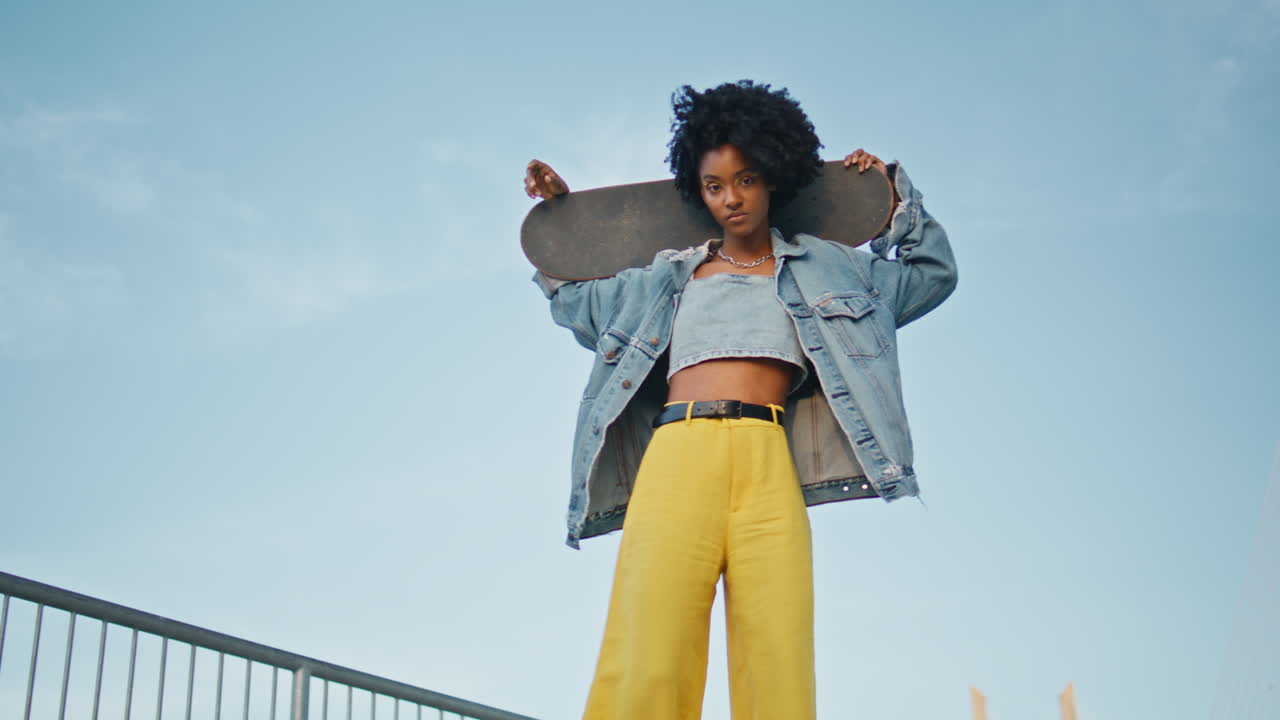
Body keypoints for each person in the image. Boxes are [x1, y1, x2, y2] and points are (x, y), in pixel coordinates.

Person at [523, 80, 957, 720]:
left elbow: (930, 274)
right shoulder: (666, 278)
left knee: (777, 658)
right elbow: (571, 300)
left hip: (767, 462)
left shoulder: (831, 268)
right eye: (715, 185)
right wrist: (562, 228)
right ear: (698, 192)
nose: (732, 199)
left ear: (775, 177)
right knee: (649, 651)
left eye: (747, 180)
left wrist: (894, 195)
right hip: (678, 456)